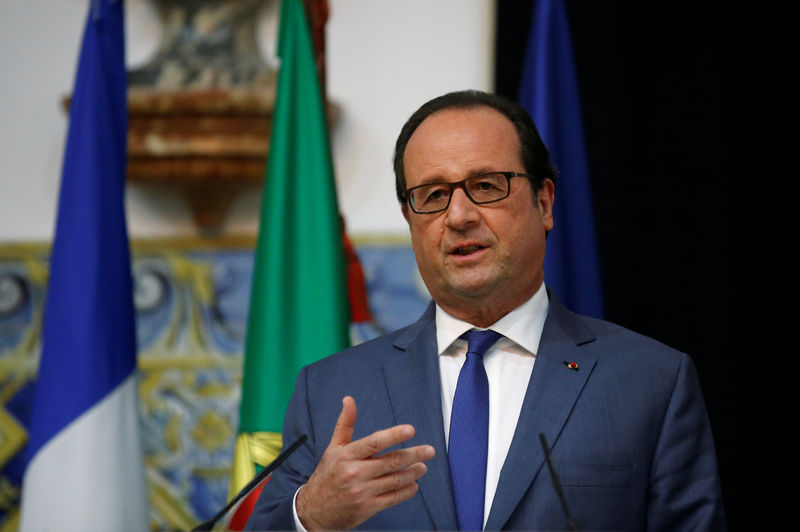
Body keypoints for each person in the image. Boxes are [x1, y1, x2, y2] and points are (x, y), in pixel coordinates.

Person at [245, 90, 726, 531]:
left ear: (544, 202)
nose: (459, 216)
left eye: (487, 185)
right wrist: (311, 514)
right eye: (432, 196)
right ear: (410, 221)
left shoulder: (651, 380)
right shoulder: (329, 390)